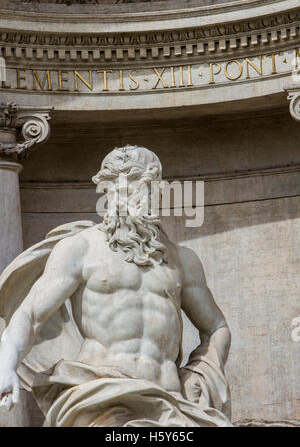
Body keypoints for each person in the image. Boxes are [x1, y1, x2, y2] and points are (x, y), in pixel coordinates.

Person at [0, 146, 231, 427]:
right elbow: (30, 315)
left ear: (156, 190)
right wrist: (6, 363)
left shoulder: (183, 260)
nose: (132, 195)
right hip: (99, 396)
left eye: (142, 186)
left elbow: (216, 327)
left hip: (169, 400)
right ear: (106, 191)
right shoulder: (80, 248)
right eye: (120, 187)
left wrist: (201, 375)